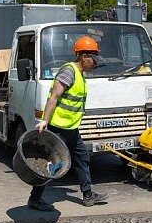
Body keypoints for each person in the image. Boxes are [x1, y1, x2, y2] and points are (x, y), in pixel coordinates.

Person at [28, 36, 108, 211]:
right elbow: (54, 97)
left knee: (82, 159)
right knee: (54, 163)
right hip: (59, 128)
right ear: (84, 56)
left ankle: (88, 195)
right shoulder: (68, 71)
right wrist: (44, 121)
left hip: (71, 128)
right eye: (93, 60)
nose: (95, 64)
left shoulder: (80, 74)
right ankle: (35, 199)